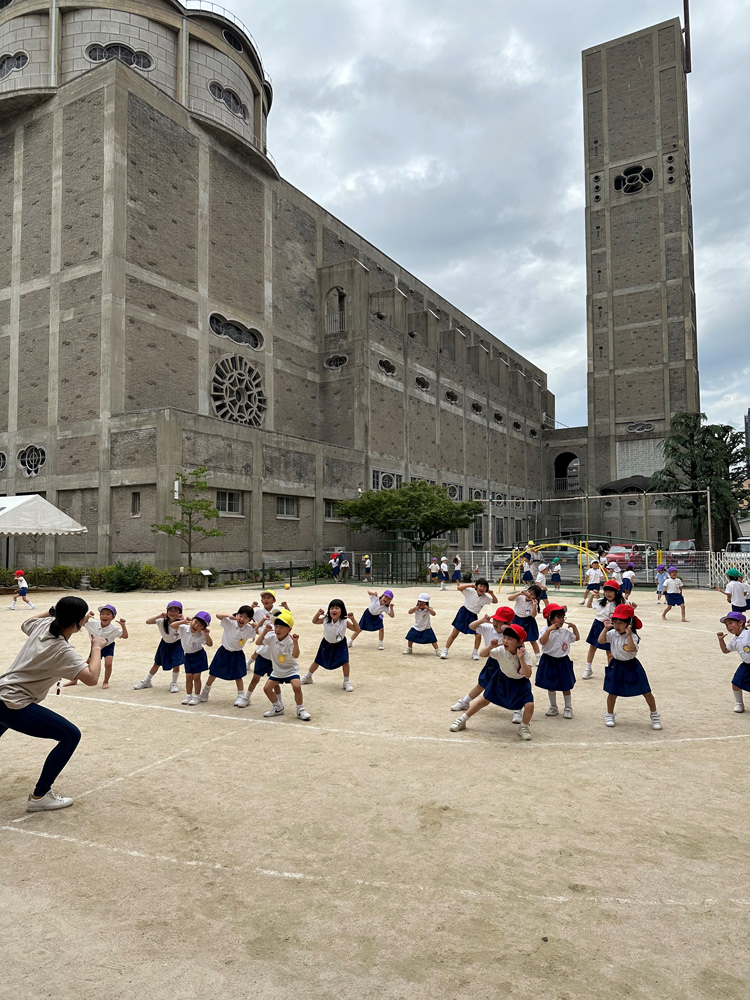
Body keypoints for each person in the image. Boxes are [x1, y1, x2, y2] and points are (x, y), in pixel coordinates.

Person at [0, 597, 107, 811]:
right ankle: (40, 796)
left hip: (2, 693)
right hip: (15, 702)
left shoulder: (43, 625)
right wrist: (96, 647)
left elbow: (26, 622)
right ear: (78, 623)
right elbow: (92, 677)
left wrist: (53, 613)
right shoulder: (62, 651)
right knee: (70, 735)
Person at [449, 624, 535, 741]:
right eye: (504, 637)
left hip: (520, 684)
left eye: (510, 639)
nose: (505, 640)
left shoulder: (525, 654)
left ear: (519, 642)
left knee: (529, 705)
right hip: (502, 679)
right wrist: (490, 646)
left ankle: (524, 727)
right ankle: (462, 719)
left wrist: (521, 658)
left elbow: (528, 674)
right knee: (483, 700)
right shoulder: (500, 650)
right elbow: (482, 654)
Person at [597, 604, 662, 730]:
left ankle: (655, 715)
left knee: (646, 691)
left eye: (621, 622)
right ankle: (609, 714)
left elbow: (631, 649)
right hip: (616, 665)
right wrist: (605, 629)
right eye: (615, 622)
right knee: (612, 692)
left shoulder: (633, 636)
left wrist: (628, 635)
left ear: (629, 624)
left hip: (632, 666)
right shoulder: (612, 633)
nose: (617, 625)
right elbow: (600, 641)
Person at [450, 606, 515, 716]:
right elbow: (471, 626)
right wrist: (482, 620)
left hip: (507, 663)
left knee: (511, 687)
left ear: (509, 623)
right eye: (495, 619)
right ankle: (465, 702)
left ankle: (518, 711)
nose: (495, 623)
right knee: (481, 684)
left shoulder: (513, 632)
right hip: (492, 662)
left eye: (500, 621)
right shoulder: (489, 628)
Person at [259, 609, 310, 721]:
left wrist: (296, 642)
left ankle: (300, 710)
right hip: (277, 670)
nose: (278, 629)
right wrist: (264, 631)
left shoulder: (291, 641)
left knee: (297, 686)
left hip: (291, 669)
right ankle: (278, 707)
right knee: (267, 689)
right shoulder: (271, 637)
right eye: (276, 626)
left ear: (289, 629)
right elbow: (258, 642)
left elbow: (296, 655)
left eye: (281, 627)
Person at [199, 606, 255, 706]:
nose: (242, 619)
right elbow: (218, 615)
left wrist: (255, 624)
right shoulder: (230, 622)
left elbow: (259, 630)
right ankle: (205, 691)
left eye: (246, 618)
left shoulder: (249, 629)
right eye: (240, 616)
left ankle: (241, 695)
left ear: (250, 620)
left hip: (237, 654)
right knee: (213, 673)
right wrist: (229, 616)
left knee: (238, 675)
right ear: (236, 615)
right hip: (224, 651)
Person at [65, 604, 128, 689]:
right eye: (102, 614)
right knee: (86, 664)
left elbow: (125, 636)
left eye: (108, 614)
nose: (104, 616)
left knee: (108, 663)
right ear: (100, 615)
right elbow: (81, 624)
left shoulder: (114, 629)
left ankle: (106, 681)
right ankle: (75, 680)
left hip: (108, 646)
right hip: (95, 647)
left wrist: (123, 625)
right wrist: (87, 616)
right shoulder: (93, 624)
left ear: (113, 617)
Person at [301, 599, 360, 689]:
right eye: (332, 608)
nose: (334, 610)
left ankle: (346, 681)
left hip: (340, 645)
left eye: (337, 608)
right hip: (326, 644)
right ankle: (307, 677)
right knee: (317, 660)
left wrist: (352, 619)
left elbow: (357, 629)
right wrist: (318, 613)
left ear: (342, 610)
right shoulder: (326, 619)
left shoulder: (344, 622)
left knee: (345, 661)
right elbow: (314, 621)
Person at [536, 604, 580, 718]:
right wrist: (549, 630)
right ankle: (553, 706)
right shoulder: (544, 630)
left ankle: (568, 707)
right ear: (550, 618)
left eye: (563, 617)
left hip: (563, 661)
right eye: (558, 617)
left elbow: (576, 638)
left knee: (566, 685)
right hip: (549, 660)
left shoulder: (564, 631)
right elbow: (543, 642)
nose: (561, 620)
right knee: (551, 685)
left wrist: (574, 628)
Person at [134, 601, 186, 692]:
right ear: (167, 611)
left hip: (177, 644)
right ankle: (147, 680)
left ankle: (174, 683)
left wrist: (183, 618)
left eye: (176, 611)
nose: (173, 613)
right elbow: (148, 621)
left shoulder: (181, 623)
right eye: (170, 610)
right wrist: (159, 616)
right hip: (164, 644)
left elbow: (188, 626)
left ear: (180, 612)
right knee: (157, 663)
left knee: (176, 664)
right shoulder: (162, 621)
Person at [440, 579, 497, 660]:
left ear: (486, 589)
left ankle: (475, 652)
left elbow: (495, 601)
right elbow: (459, 588)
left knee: (478, 635)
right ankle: (445, 650)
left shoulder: (485, 598)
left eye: (484, 587)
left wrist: (492, 593)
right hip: (463, 612)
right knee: (454, 633)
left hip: (473, 616)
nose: (482, 588)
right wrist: (469, 585)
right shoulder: (470, 591)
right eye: (480, 586)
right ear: (476, 586)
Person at [582, 581, 630, 679]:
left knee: (610, 651)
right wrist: (591, 595)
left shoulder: (622, 602)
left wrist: (633, 608)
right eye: (606, 591)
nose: (608, 593)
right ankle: (588, 668)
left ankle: (611, 671)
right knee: (593, 647)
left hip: (613, 627)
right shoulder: (601, 601)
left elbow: (629, 611)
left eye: (611, 591)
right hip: (598, 625)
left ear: (616, 592)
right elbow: (589, 605)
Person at [172, 612, 212, 705]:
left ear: (203, 628)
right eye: (196, 622)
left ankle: (197, 696)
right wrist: (184, 621)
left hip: (199, 656)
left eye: (200, 625)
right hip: (188, 656)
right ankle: (188, 695)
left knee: (196, 677)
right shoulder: (184, 628)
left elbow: (210, 644)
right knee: (189, 677)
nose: (196, 625)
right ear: (192, 620)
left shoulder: (201, 635)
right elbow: (172, 625)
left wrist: (207, 635)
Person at [716, 612, 750, 713]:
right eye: (727, 625)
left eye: (731, 623)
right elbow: (726, 650)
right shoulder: (735, 640)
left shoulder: (748, 633)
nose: (728, 626)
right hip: (746, 665)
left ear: (740, 623)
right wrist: (721, 640)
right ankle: (739, 702)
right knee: (736, 683)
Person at [507, 584, 543, 659]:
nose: (529, 594)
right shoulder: (520, 597)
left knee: (532, 640)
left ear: (536, 597)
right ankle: (522, 655)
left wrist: (534, 605)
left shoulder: (534, 603)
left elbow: (533, 615)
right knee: (519, 640)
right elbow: (509, 598)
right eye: (529, 591)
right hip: (517, 619)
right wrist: (519, 593)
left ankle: (538, 657)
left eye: (532, 594)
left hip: (528, 621)